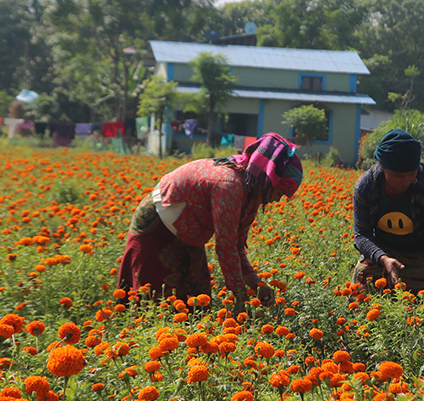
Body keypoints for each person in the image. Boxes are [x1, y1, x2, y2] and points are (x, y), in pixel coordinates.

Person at [117, 133, 303, 313]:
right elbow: (225, 248)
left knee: (197, 304)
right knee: (150, 304)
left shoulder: (252, 192)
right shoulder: (230, 186)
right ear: (267, 181)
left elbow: (237, 246)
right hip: (156, 230)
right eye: (279, 193)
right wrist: (240, 295)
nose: (278, 200)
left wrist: (257, 284)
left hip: (188, 235)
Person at [352, 129, 424, 297]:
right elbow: (361, 234)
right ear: (382, 167)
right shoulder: (366, 186)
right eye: (398, 176)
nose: (406, 180)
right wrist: (383, 258)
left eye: (411, 174)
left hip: (421, 252)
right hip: (383, 249)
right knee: (361, 286)